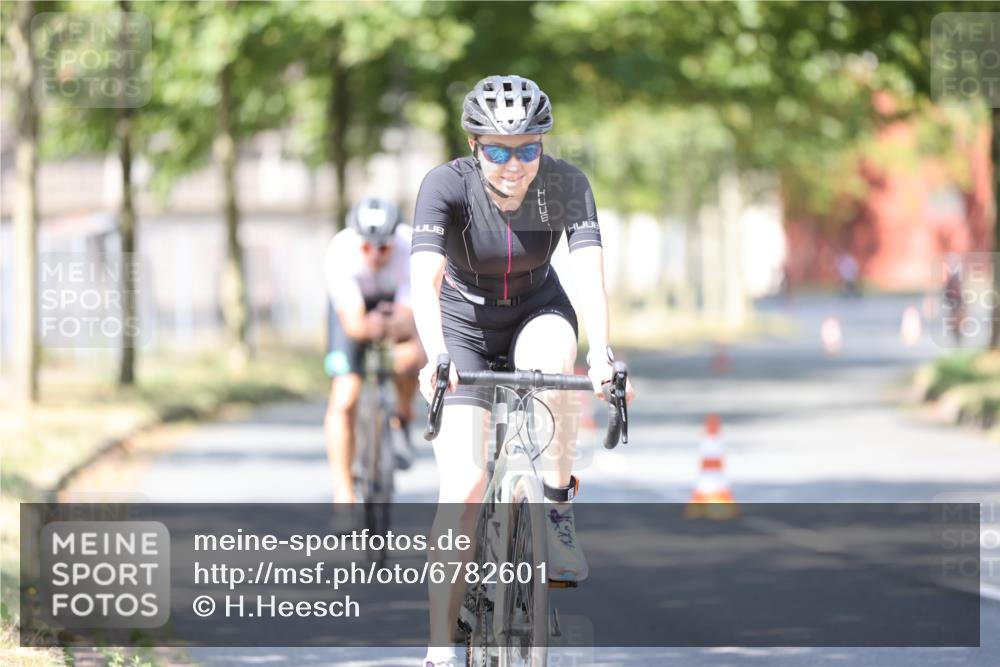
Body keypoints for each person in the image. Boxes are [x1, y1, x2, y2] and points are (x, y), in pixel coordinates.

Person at [410, 75, 635, 667]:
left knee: (559, 363)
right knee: (463, 485)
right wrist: (435, 355)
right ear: (473, 144)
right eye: (498, 150)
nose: (514, 165)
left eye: (528, 149)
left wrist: (604, 351)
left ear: (544, 145)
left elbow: (588, 273)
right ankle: (439, 650)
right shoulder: (444, 186)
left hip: (538, 307)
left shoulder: (564, 184)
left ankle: (555, 507)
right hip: (461, 326)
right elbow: (424, 280)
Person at [323, 198, 425, 514]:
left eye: (383, 247)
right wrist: (373, 325)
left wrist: (397, 326)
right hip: (355, 313)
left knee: (409, 360)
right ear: (358, 242)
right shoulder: (341, 252)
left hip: (399, 306)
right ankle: (343, 493)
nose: (376, 254)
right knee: (345, 397)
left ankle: (402, 416)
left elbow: (411, 316)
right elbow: (353, 325)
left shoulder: (412, 247)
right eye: (368, 247)